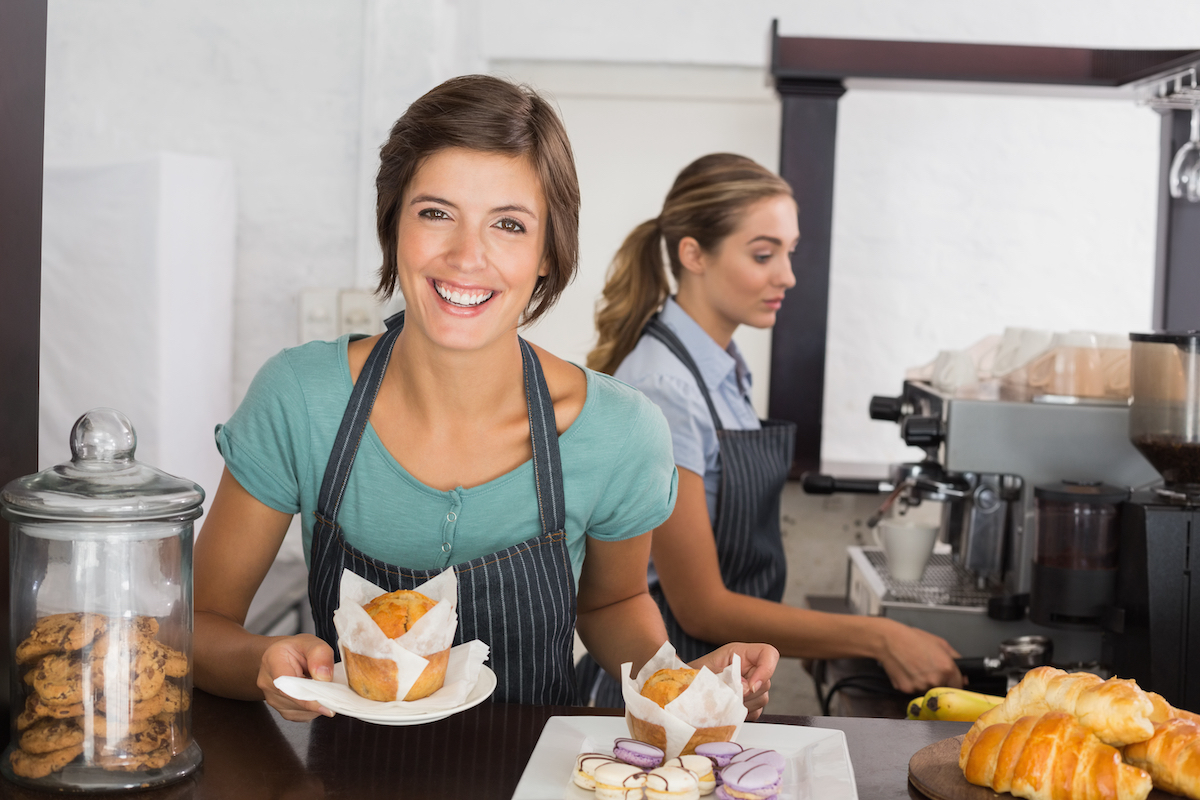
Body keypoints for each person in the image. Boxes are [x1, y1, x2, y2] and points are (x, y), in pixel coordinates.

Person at [192, 76, 779, 722]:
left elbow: (610, 606)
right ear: (393, 225)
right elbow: (200, 624)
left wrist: (680, 680)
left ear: (547, 254)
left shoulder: (620, 432)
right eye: (436, 213)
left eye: (508, 224)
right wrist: (262, 662)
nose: (467, 256)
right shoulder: (301, 400)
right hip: (340, 777)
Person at [580, 153, 962, 707]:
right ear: (693, 254)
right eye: (764, 254)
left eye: (789, 252)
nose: (787, 275)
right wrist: (881, 637)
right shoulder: (667, 388)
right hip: (664, 685)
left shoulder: (721, 366)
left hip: (713, 684)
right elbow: (700, 605)